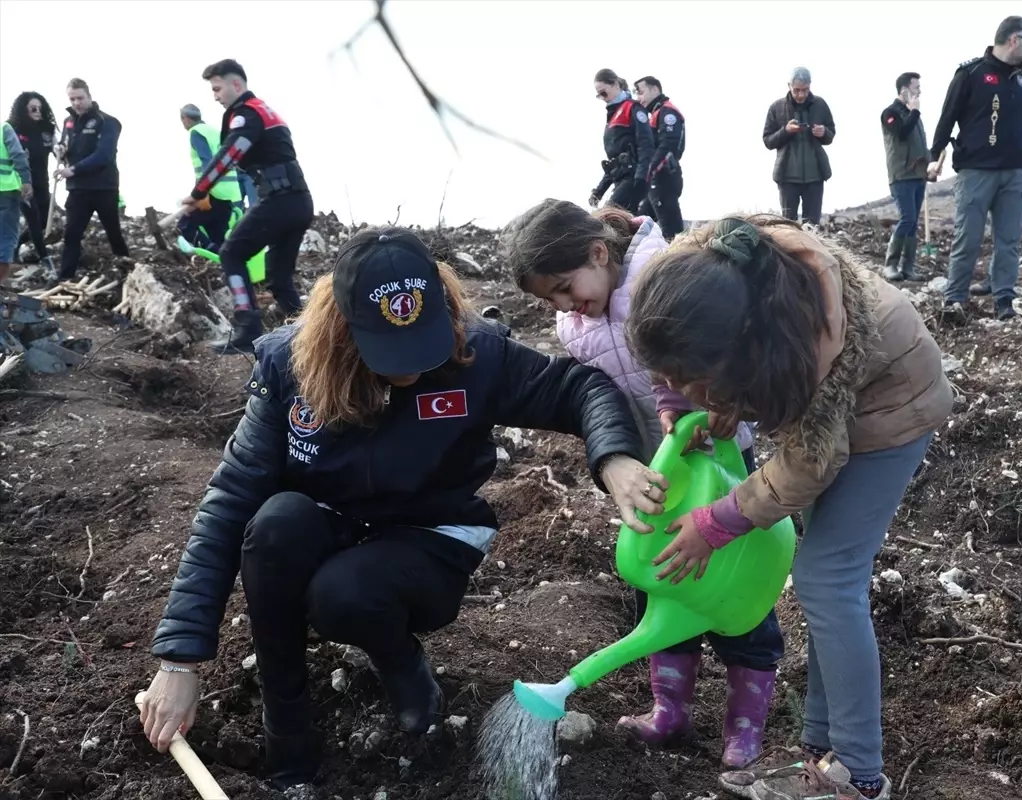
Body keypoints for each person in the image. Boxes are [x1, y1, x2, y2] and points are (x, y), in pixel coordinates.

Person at [139, 226, 664, 792]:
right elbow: (228, 503)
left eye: (423, 342)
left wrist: (612, 457)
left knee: (346, 593)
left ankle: (402, 665)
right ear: (343, 329)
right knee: (273, 526)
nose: (411, 367)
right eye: (391, 352)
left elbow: (580, 388)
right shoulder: (290, 369)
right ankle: (287, 729)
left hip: (429, 537)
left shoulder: (476, 353)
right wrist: (179, 662)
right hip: (328, 520)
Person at [625, 216, 953, 799]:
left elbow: (808, 463)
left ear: (743, 346)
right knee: (825, 579)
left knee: (829, 580)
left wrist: (717, 521)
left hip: (892, 407)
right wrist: (683, 397)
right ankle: (819, 751)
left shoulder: (805, 334)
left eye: (696, 373)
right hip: (829, 395)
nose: (682, 381)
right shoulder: (691, 278)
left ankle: (857, 774)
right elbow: (673, 352)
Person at [502, 199, 783, 768]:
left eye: (564, 286)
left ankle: (745, 725)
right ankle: (670, 712)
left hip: (722, 460)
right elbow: (599, 395)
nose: (563, 304)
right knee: (659, 581)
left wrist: (717, 406)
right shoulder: (575, 325)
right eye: (549, 299)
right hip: (661, 467)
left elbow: (727, 342)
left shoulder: (663, 276)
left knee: (735, 586)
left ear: (599, 252)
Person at [181, 58, 314, 355]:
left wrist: (199, 192)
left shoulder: (246, 115)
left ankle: (247, 331)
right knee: (279, 279)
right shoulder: (267, 111)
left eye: (217, 89)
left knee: (231, 254)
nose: (215, 96)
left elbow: (229, 154)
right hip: (299, 200)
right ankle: (313, 334)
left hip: (279, 200)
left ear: (236, 84)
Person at [928, 16, 1022, 321]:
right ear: (1013, 40)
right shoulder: (971, 73)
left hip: (1013, 172)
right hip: (975, 171)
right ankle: (955, 300)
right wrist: (935, 154)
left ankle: (1004, 300)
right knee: (967, 237)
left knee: (1009, 239)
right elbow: (948, 115)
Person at [55, 78, 130, 282]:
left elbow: (103, 155)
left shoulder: (107, 122)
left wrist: (74, 169)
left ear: (89, 96)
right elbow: (65, 146)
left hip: (103, 187)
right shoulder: (68, 122)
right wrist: (59, 150)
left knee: (113, 233)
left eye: (80, 98)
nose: (76, 103)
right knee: (71, 235)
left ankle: (129, 273)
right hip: (78, 189)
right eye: (72, 99)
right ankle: (64, 279)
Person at [763, 68, 836, 226]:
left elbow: (831, 134)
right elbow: (768, 140)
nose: (801, 95)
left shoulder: (821, 105)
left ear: (810, 85)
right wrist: (786, 131)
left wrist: (824, 132)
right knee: (789, 226)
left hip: (815, 176)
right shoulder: (776, 107)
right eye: (797, 90)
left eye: (805, 90)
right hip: (787, 177)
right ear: (789, 86)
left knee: (812, 226)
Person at [879, 72, 930, 282]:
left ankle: (908, 267)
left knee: (913, 221)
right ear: (904, 90)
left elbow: (918, 144)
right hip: (901, 174)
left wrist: (931, 164)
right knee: (907, 218)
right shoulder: (890, 113)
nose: (919, 91)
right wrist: (915, 112)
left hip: (918, 175)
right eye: (916, 87)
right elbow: (901, 133)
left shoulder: (914, 115)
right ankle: (890, 264)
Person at [178, 103, 242, 251]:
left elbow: (207, 162)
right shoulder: (215, 132)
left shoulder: (196, 132)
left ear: (185, 118)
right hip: (229, 192)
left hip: (213, 192)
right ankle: (221, 260)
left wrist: (202, 192)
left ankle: (211, 250)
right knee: (217, 233)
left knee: (185, 225)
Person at [589, 69, 654, 214]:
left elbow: (646, 144)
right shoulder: (612, 118)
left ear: (616, 85)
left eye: (604, 92)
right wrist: (599, 191)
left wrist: (642, 177)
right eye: (599, 95)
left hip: (634, 177)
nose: (603, 97)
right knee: (620, 225)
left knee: (608, 217)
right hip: (620, 178)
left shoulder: (633, 109)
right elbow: (614, 162)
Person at [633, 76, 686, 240]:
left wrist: (647, 171)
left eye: (640, 92)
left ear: (654, 89)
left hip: (664, 176)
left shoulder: (667, 112)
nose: (638, 98)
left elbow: (668, 146)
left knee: (670, 228)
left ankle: (679, 261)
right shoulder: (656, 113)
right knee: (640, 224)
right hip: (656, 179)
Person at [6, 92, 55, 270]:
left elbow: (58, 149)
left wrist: (63, 156)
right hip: (23, 184)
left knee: (42, 222)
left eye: (40, 108)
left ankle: (16, 245)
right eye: (33, 108)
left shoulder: (47, 130)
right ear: (23, 110)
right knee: (34, 221)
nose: (37, 111)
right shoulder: (13, 130)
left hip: (43, 183)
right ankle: (46, 260)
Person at [0, 120, 33, 285]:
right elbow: (18, 155)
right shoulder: (3, 128)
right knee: (5, 238)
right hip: (5, 191)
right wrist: (26, 180)